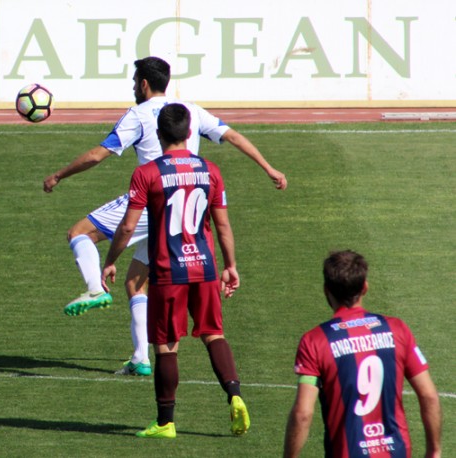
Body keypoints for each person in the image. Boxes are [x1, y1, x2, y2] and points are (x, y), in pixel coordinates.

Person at [43, 56, 286, 377]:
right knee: (135, 283)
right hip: (184, 211)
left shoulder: (138, 115)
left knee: (79, 233)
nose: (133, 87)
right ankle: (141, 359)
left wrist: (59, 175)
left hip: (150, 199)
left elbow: (97, 154)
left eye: (134, 81)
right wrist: (268, 167)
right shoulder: (189, 111)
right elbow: (233, 136)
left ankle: (95, 288)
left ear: (144, 83)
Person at [101, 103, 249, 438]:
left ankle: (165, 423)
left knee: (166, 345)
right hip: (206, 268)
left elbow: (127, 227)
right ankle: (235, 394)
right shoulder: (210, 170)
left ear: (158, 133)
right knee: (214, 333)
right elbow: (223, 226)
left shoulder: (148, 173)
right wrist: (231, 266)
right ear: (189, 132)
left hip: (169, 272)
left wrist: (110, 260)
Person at [283, 250, 441, 458]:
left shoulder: (315, 341)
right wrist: (434, 450)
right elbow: (429, 395)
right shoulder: (397, 330)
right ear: (365, 287)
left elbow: (303, 414)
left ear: (326, 290)